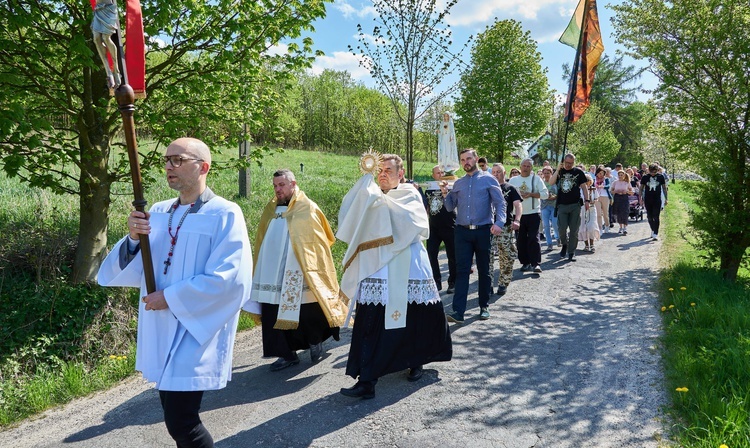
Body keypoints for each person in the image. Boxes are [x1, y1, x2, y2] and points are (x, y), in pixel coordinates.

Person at [97, 138, 253, 448]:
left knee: (182, 421)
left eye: (178, 160)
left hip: (196, 329)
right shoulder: (157, 211)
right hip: (161, 326)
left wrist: (170, 297)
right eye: (167, 160)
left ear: (203, 167)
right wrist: (131, 237)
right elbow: (138, 265)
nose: (169, 166)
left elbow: (232, 278)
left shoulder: (225, 214)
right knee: (175, 417)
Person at [337, 153, 452, 399]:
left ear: (400, 174)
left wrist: (375, 200)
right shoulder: (370, 195)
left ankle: (416, 361)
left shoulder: (409, 193)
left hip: (407, 265)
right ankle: (367, 380)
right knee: (370, 320)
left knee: (415, 317)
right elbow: (350, 216)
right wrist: (365, 191)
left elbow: (411, 222)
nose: (383, 174)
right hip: (376, 267)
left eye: (388, 169)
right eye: (379, 170)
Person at [245, 169, 348, 371]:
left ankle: (314, 341)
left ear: (293, 184)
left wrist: (308, 263)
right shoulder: (270, 208)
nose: (277, 190)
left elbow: (322, 238)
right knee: (272, 309)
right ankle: (286, 353)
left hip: (300, 268)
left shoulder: (307, 208)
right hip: (271, 271)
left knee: (308, 309)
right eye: (275, 186)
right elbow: (261, 239)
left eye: (281, 185)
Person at [442, 149, 506, 322]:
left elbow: (500, 203)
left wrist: (499, 223)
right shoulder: (458, 183)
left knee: (484, 270)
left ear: (476, 159)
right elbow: (449, 207)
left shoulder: (488, 179)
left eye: (469, 158)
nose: (466, 162)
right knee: (461, 271)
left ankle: (484, 306)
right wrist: (445, 193)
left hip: (483, 230)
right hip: (462, 232)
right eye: (463, 160)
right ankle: (458, 312)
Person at [508, 158, 548, 273]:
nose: (526, 168)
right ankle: (525, 262)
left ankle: (536, 263)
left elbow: (545, 194)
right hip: (518, 215)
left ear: (532, 168)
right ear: (520, 167)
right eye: (524, 166)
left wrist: (531, 194)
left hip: (533, 213)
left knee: (533, 238)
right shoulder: (513, 180)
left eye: (528, 166)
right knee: (520, 240)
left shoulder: (536, 179)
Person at [548, 154, 590, 261]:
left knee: (574, 230)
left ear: (574, 163)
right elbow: (551, 182)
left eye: (571, 163)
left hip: (575, 205)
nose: (568, 165)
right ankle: (564, 244)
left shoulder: (578, 172)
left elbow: (584, 187)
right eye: (566, 163)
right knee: (561, 229)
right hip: (562, 205)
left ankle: (571, 252)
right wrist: (557, 170)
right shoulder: (560, 171)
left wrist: (587, 200)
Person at [489, 163, 522, 295]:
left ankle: (503, 282)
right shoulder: (488, 188)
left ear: (504, 173)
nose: (496, 174)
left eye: (498, 172)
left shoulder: (510, 188)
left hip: (505, 227)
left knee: (506, 256)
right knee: (488, 257)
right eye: (494, 172)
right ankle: (488, 284)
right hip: (489, 227)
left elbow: (518, 205)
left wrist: (517, 220)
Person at [423, 165, 457, 293]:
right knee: (431, 254)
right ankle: (436, 281)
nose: (440, 174)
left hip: (450, 226)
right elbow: (426, 208)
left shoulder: (451, 187)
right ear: (433, 175)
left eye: (442, 172)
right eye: (437, 173)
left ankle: (453, 282)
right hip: (434, 228)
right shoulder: (429, 190)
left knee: (452, 256)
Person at [91, 0, 121, 89]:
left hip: (109, 8)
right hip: (98, 8)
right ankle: (108, 71)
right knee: (96, 39)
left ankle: (116, 69)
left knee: (105, 37)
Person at [639, 163, 668, 240]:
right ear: (649, 170)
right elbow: (641, 188)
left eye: (654, 172)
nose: (653, 174)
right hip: (648, 199)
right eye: (651, 172)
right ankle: (652, 229)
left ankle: (655, 233)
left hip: (657, 199)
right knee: (649, 217)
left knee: (656, 216)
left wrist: (666, 198)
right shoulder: (645, 177)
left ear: (657, 171)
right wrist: (640, 198)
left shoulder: (660, 177)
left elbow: (664, 188)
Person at [578, 173, 600, 252]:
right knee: (583, 227)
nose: (586, 182)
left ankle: (592, 244)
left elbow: (596, 198)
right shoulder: (579, 190)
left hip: (591, 209)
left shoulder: (593, 189)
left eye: (587, 181)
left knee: (591, 226)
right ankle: (586, 245)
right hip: (582, 209)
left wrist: (592, 201)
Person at [540, 166, 559, 251]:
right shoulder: (541, 183)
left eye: (548, 173)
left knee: (555, 224)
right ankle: (549, 243)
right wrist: (546, 197)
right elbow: (538, 193)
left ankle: (558, 237)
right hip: (544, 206)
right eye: (545, 173)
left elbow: (559, 193)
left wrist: (554, 197)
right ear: (543, 174)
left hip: (554, 205)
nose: (546, 175)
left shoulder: (555, 182)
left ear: (551, 173)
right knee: (546, 226)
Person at [611, 170, 633, 234]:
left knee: (625, 212)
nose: (620, 176)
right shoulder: (615, 182)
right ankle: (620, 227)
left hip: (624, 198)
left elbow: (631, 192)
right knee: (619, 213)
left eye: (621, 175)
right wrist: (615, 191)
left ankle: (625, 227)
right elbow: (611, 191)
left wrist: (627, 192)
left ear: (624, 175)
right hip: (617, 198)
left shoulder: (627, 183)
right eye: (619, 175)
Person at [593, 167, 611, 233]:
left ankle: (607, 225)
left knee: (605, 213)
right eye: (599, 173)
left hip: (605, 196)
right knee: (598, 214)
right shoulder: (594, 179)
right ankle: (600, 228)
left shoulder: (606, 179)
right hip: (597, 197)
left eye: (602, 173)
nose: (601, 175)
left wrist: (603, 186)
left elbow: (608, 186)